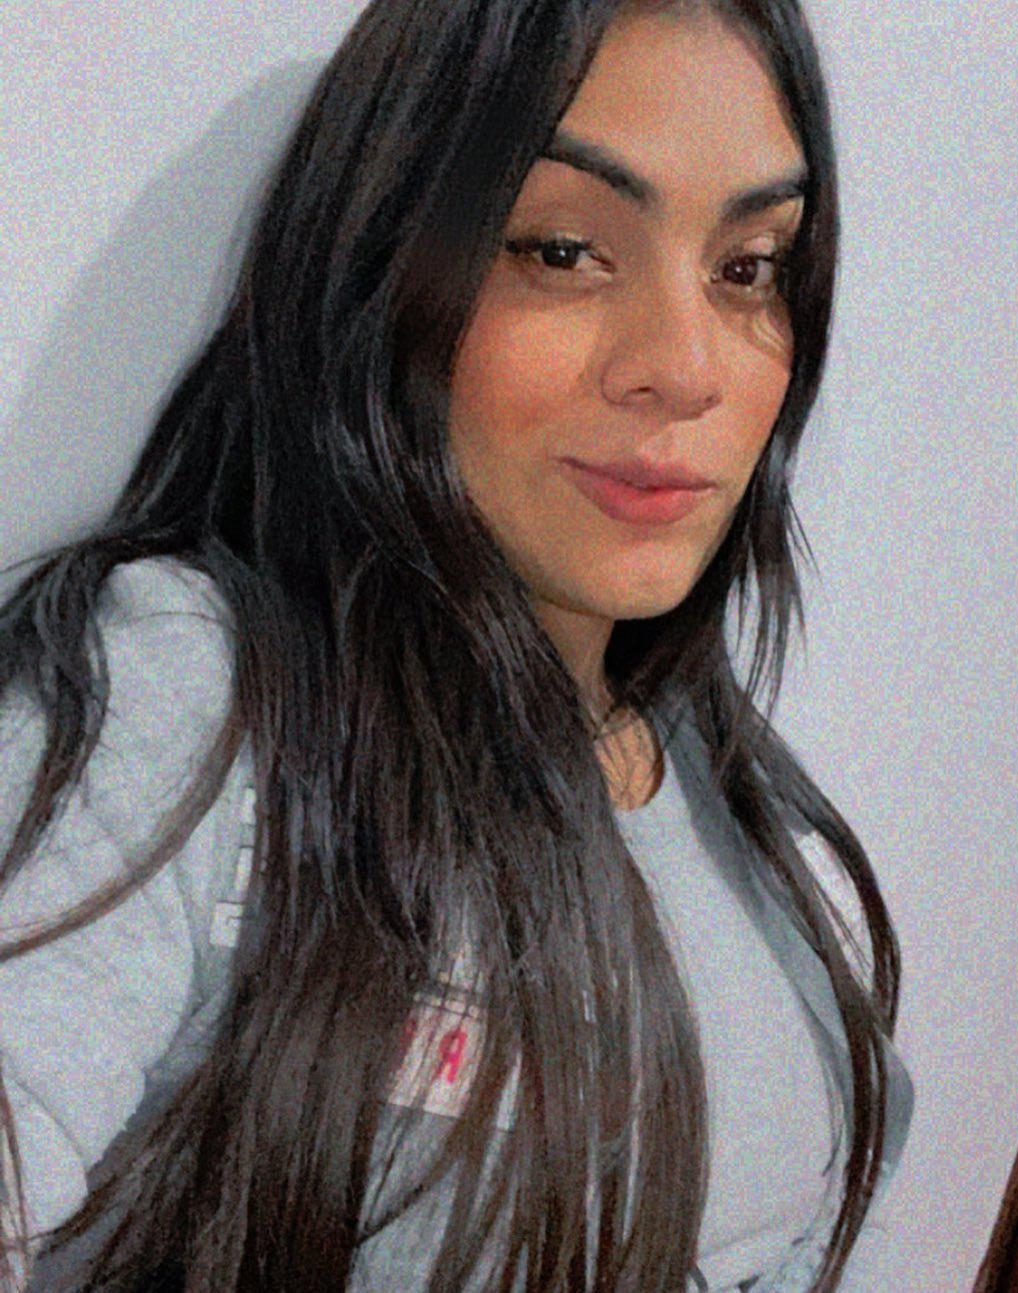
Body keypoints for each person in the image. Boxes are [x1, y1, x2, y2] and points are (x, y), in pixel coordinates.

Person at [0, 0, 913, 1288]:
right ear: (382, 270)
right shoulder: (200, 696)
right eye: (564, 250)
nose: (688, 366)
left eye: (749, 267)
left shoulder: (759, 821)